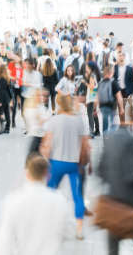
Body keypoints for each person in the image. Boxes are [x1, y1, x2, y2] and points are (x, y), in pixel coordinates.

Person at [97, 109, 133, 255]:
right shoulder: (131, 141)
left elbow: (100, 170)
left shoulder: (109, 137)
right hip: (127, 203)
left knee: (113, 248)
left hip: (112, 201)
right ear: (132, 121)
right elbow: (130, 175)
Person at [0, 154, 69, 254]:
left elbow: (5, 241)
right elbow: (67, 232)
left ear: (27, 174)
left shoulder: (12, 201)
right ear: (48, 176)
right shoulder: (60, 201)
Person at [41, 94, 88, 240]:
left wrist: (45, 158)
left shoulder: (53, 121)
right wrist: (84, 162)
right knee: (77, 196)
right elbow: (85, 145)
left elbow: (47, 145)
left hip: (56, 163)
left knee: (50, 192)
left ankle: (50, 225)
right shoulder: (79, 121)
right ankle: (79, 230)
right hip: (74, 163)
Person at [97, 66, 124, 136]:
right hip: (111, 107)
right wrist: (121, 108)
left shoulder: (100, 83)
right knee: (114, 125)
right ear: (111, 73)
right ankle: (111, 141)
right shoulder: (114, 83)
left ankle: (105, 141)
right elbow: (119, 97)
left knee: (105, 124)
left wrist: (95, 108)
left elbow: (97, 97)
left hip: (102, 106)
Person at [24, 88, 51, 155]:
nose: (41, 97)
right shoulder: (31, 108)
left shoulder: (41, 106)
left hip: (42, 136)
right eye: (39, 95)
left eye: (44, 96)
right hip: (37, 136)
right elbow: (37, 124)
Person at [113, 51, 133, 124]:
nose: (121, 57)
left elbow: (132, 81)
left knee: (124, 109)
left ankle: (126, 124)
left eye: (122, 55)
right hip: (118, 91)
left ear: (124, 57)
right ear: (117, 57)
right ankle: (122, 124)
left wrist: (131, 93)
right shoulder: (115, 68)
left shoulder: (129, 68)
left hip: (126, 91)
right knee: (120, 109)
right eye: (119, 56)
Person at [82, 63, 100, 138]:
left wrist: (85, 82)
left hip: (92, 97)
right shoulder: (93, 75)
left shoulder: (92, 76)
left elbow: (92, 87)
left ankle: (91, 132)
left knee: (90, 115)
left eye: (87, 67)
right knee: (94, 114)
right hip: (94, 97)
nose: (86, 68)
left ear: (90, 68)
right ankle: (97, 130)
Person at [0, 64, 13, 135]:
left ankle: (2, 128)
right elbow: (9, 89)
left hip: (1, 98)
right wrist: (10, 98)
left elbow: (0, 91)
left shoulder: (1, 78)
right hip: (6, 98)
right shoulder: (7, 77)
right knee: (7, 113)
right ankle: (7, 128)